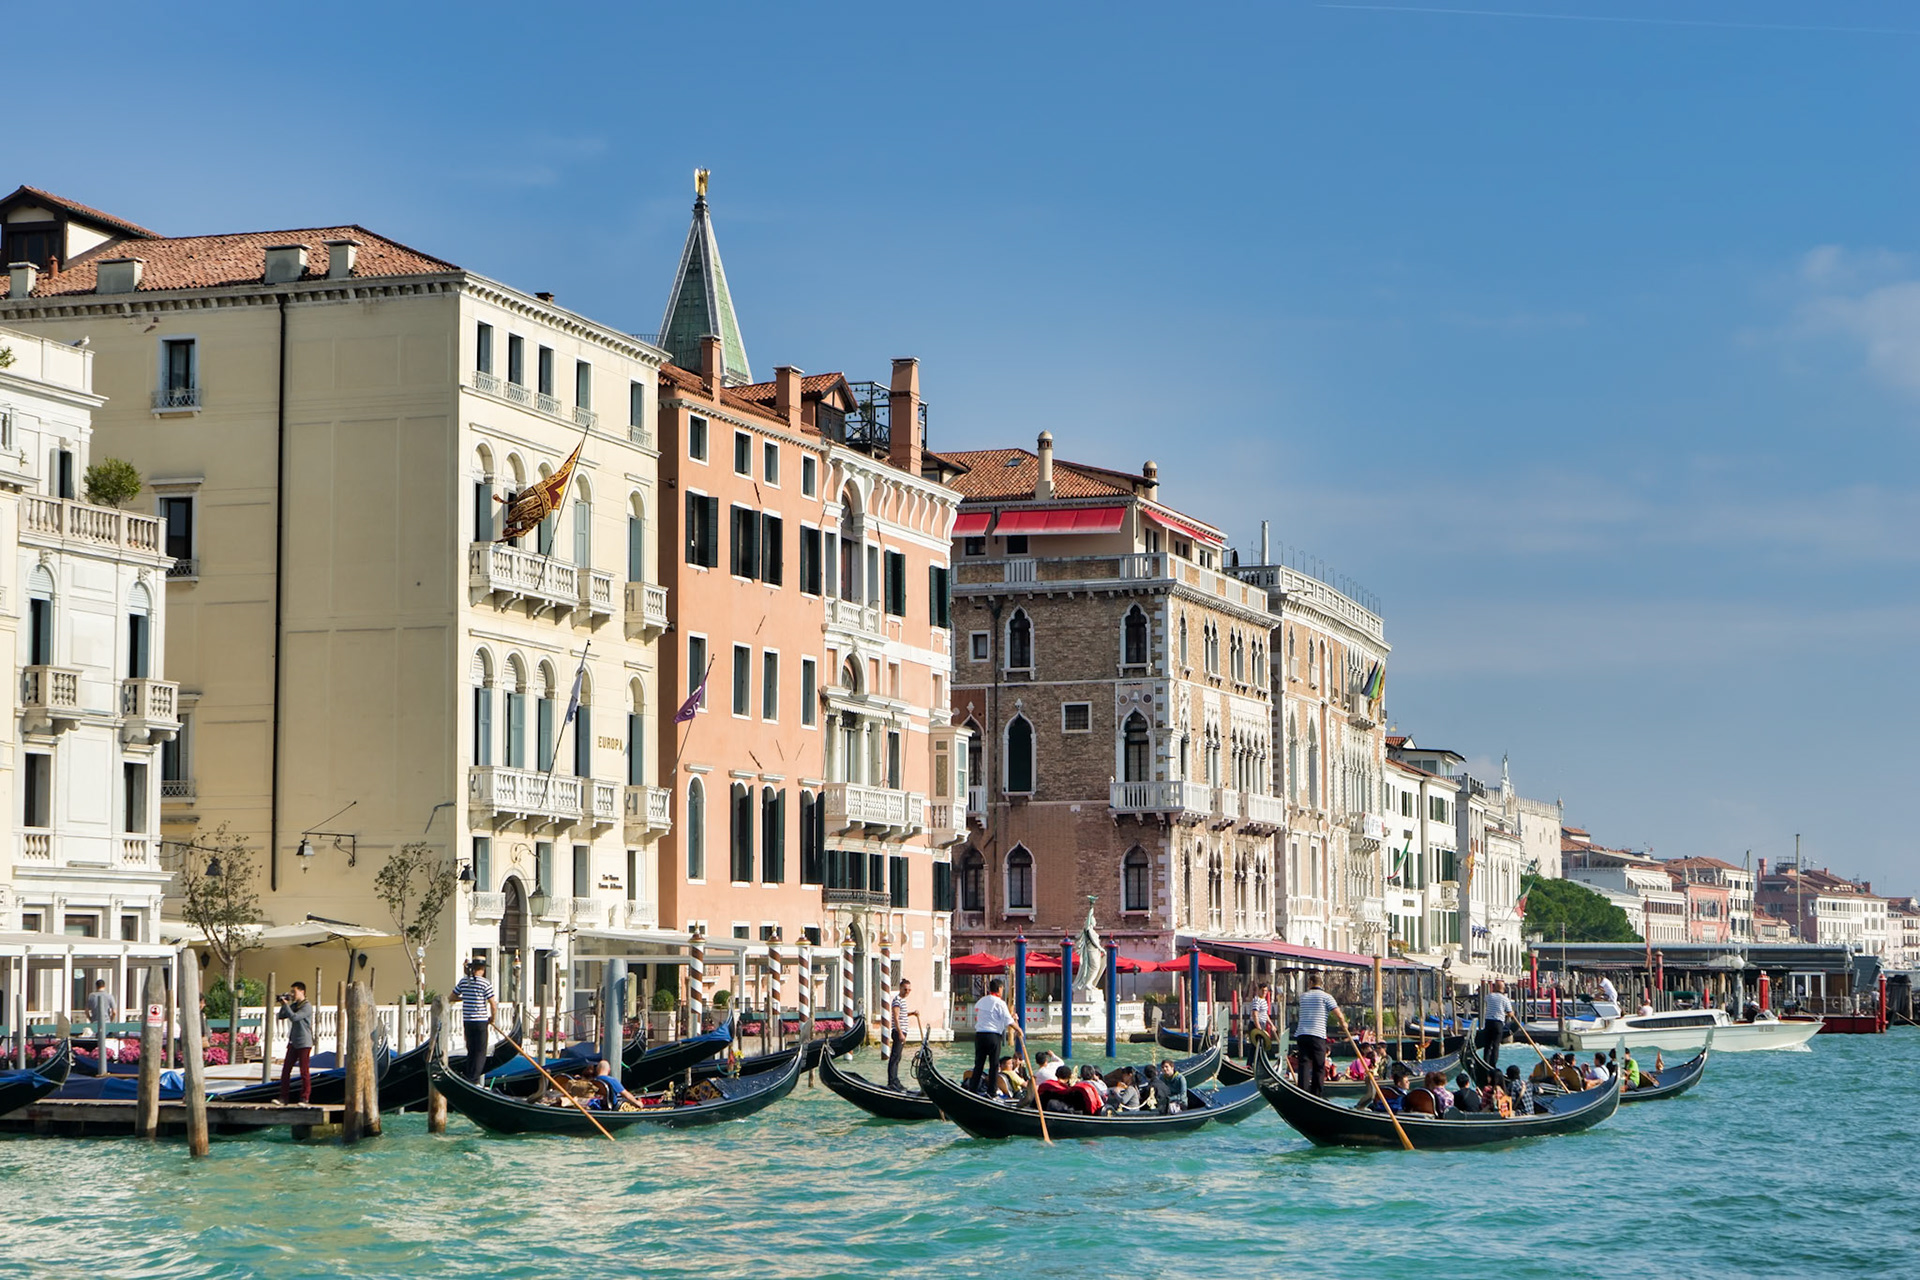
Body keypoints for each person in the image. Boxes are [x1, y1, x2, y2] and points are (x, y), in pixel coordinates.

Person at [971, 978, 1020, 1096]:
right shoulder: (1000, 1003)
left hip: (980, 1035)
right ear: (999, 989)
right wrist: (1019, 1030)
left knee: (979, 1063)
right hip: (993, 1036)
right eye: (1002, 988)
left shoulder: (982, 1000)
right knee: (994, 1065)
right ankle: (991, 1092)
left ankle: (972, 1089)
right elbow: (1008, 1021)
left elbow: (990, 1015)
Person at [451, 959, 498, 1083]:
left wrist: (464, 998)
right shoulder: (485, 983)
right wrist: (493, 1019)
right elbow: (493, 1004)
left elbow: (452, 996)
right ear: (482, 969)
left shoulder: (463, 982)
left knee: (471, 1050)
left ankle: (469, 1076)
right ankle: (473, 1079)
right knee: (480, 1052)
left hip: (467, 1021)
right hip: (481, 1021)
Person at [1294, 972, 1340, 1097]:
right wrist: (1343, 1023)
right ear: (1321, 984)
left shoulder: (1303, 997)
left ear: (1310, 983)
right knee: (1319, 1066)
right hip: (1317, 1035)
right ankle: (1316, 1094)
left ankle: (1303, 1092)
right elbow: (1337, 1012)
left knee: (1303, 1064)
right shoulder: (1327, 997)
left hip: (1302, 1034)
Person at [276, 982, 315, 1105]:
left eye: (294, 992)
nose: (292, 994)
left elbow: (294, 1017)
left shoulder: (307, 1006)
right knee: (286, 1070)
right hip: (293, 1042)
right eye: (291, 992)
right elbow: (281, 1016)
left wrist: (285, 1005)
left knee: (304, 1071)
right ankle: (283, 1098)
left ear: (302, 991)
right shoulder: (294, 1005)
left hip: (304, 1042)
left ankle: (305, 1098)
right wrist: (284, 1003)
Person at [887, 979, 921, 1091]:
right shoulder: (897, 1000)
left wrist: (912, 1013)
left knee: (898, 1057)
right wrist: (900, 1033)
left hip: (901, 1032)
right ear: (900, 988)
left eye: (909, 990)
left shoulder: (902, 1001)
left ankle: (895, 1081)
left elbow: (902, 1014)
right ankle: (892, 1082)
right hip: (898, 1032)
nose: (907, 991)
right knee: (895, 1057)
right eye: (905, 989)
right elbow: (896, 1017)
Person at [1481, 980, 1514, 1068]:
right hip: (1498, 1023)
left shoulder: (1489, 996)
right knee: (1496, 1045)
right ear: (1503, 989)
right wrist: (1508, 1013)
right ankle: (1493, 1065)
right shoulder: (1505, 999)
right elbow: (1510, 1013)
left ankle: (1485, 1063)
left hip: (1488, 1022)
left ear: (1495, 987)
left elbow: (1485, 1000)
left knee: (1487, 1045)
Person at [86, 979, 117, 1072]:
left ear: (96, 986)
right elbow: (114, 1012)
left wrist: (91, 1019)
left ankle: (95, 1064)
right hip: (107, 1023)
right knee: (106, 1044)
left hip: (95, 1023)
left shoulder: (91, 996)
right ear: (104, 986)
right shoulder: (109, 996)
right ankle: (106, 1064)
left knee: (96, 1045)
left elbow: (86, 1011)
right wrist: (111, 1020)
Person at [1246, 984, 1276, 1048]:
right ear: (1259, 990)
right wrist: (1258, 1028)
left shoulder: (1264, 1001)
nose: (1264, 992)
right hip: (1255, 1025)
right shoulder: (1257, 1000)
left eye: (1265, 991)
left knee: (1260, 1046)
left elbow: (1264, 1014)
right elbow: (1255, 1014)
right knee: (1255, 1046)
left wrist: (1271, 1025)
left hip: (1262, 1024)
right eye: (1262, 990)